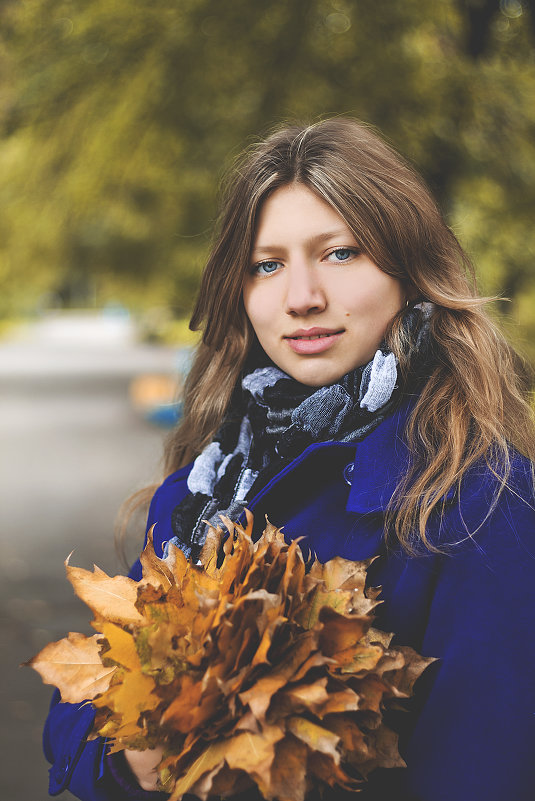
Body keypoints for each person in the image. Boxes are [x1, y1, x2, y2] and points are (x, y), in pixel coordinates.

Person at [43, 118, 535, 801]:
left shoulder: (478, 495)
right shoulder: (203, 486)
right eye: (266, 264)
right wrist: (134, 759)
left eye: (339, 253)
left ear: (408, 268)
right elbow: (72, 709)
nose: (301, 296)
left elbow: (485, 770)